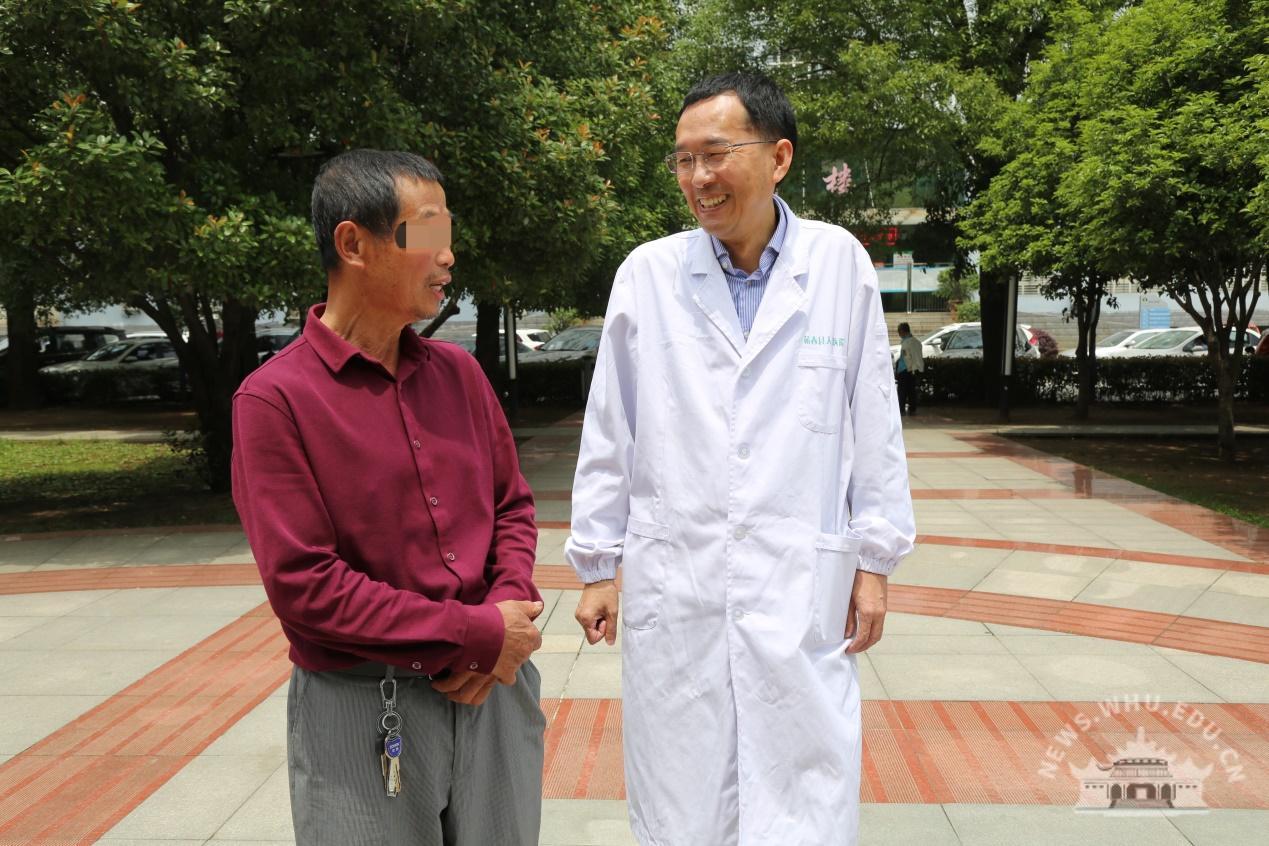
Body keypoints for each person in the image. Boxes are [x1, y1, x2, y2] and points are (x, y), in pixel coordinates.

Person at [566, 73, 916, 845]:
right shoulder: (648, 274)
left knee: (802, 788)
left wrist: (875, 561)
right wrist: (596, 563)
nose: (698, 177)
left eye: (715, 154)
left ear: (778, 157)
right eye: (683, 159)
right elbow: (611, 427)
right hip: (678, 578)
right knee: (683, 794)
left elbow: (872, 418)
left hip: (799, 577)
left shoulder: (836, 263)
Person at [231, 149, 545, 846]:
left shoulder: (459, 374)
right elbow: (306, 585)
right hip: (363, 703)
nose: (448, 254)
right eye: (427, 231)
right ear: (353, 244)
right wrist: (473, 634)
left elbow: (511, 509)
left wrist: (502, 619)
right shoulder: (275, 400)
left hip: (493, 690)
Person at [895, 321, 924, 416]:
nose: (899, 334)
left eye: (899, 331)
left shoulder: (906, 343)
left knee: (902, 391)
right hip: (914, 370)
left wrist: (900, 370)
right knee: (911, 391)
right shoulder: (916, 342)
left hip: (905, 370)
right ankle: (912, 409)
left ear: (903, 331)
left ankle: (901, 409)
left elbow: (906, 358)